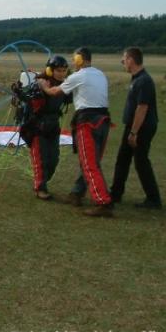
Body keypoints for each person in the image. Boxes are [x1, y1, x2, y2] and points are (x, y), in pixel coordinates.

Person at [38, 47, 114, 217]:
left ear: (80, 59)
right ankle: (77, 193)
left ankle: (103, 202)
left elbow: (54, 91)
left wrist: (43, 85)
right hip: (104, 122)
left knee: (89, 164)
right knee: (92, 161)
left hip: (88, 123)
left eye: (74, 59)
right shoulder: (100, 74)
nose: (72, 62)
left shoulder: (78, 76)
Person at [110, 47, 162, 209]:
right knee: (123, 159)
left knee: (141, 161)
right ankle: (115, 194)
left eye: (124, 59)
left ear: (131, 60)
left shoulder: (144, 81)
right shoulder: (137, 79)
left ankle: (153, 199)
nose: (123, 62)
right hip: (133, 127)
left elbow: (142, 108)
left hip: (141, 128)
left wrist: (134, 132)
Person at [19, 55, 71, 201]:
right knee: (40, 158)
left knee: (53, 159)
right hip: (37, 126)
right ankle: (40, 188)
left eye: (64, 70)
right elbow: (30, 102)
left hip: (53, 126)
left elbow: (70, 97)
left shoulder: (64, 85)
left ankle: (41, 182)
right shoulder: (40, 84)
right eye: (58, 70)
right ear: (50, 70)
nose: (61, 73)